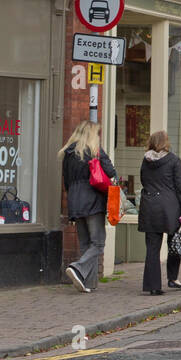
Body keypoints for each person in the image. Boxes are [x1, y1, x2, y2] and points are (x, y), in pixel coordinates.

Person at [60, 121, 119, 293]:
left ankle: (88, 283)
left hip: (74, 201)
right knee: (98, 243)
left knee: (86, 244)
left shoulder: (68, 153)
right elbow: (111, 172)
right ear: (92, 134)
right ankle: (78, 268)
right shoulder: (95, 151)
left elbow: (66, 182)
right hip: (92, 199)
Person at [139, 130, 181, 295]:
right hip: (170, 208)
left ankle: (153, 286)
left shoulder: (146, 160)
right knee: (174, 243)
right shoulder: (173, 160)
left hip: (150, 207)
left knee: (152, 248)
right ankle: (173, 278)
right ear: (166, 142)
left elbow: (143, 180)